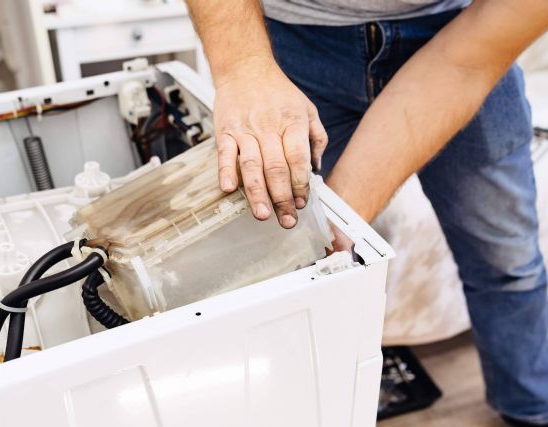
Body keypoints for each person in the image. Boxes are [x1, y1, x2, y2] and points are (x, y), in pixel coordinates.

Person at [184, 0, 548, 425]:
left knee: (508, 261)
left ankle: (532, 408)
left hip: (463, 28)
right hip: (291, 38)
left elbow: (462, 64)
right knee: (284, 268)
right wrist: (244, 66)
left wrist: (339, 217)